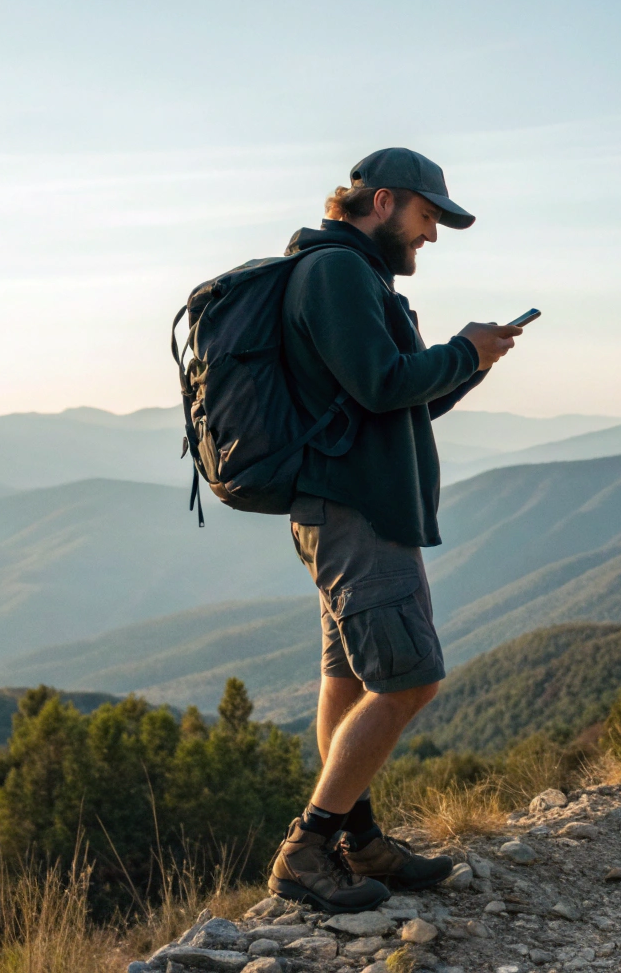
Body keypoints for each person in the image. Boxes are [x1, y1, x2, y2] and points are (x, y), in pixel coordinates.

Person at [268, 147, 521, 912]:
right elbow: (383, 385)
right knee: (411, 678)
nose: (432, 234)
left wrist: (471, 362)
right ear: (384, 201)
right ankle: (306, 847)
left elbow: (400, 400)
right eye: (428, 216)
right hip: (360, 511)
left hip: (343, 505)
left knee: (348, 680)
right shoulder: (339, 272)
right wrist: (460, 350)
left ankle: (360, 839)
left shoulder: (353, 274)